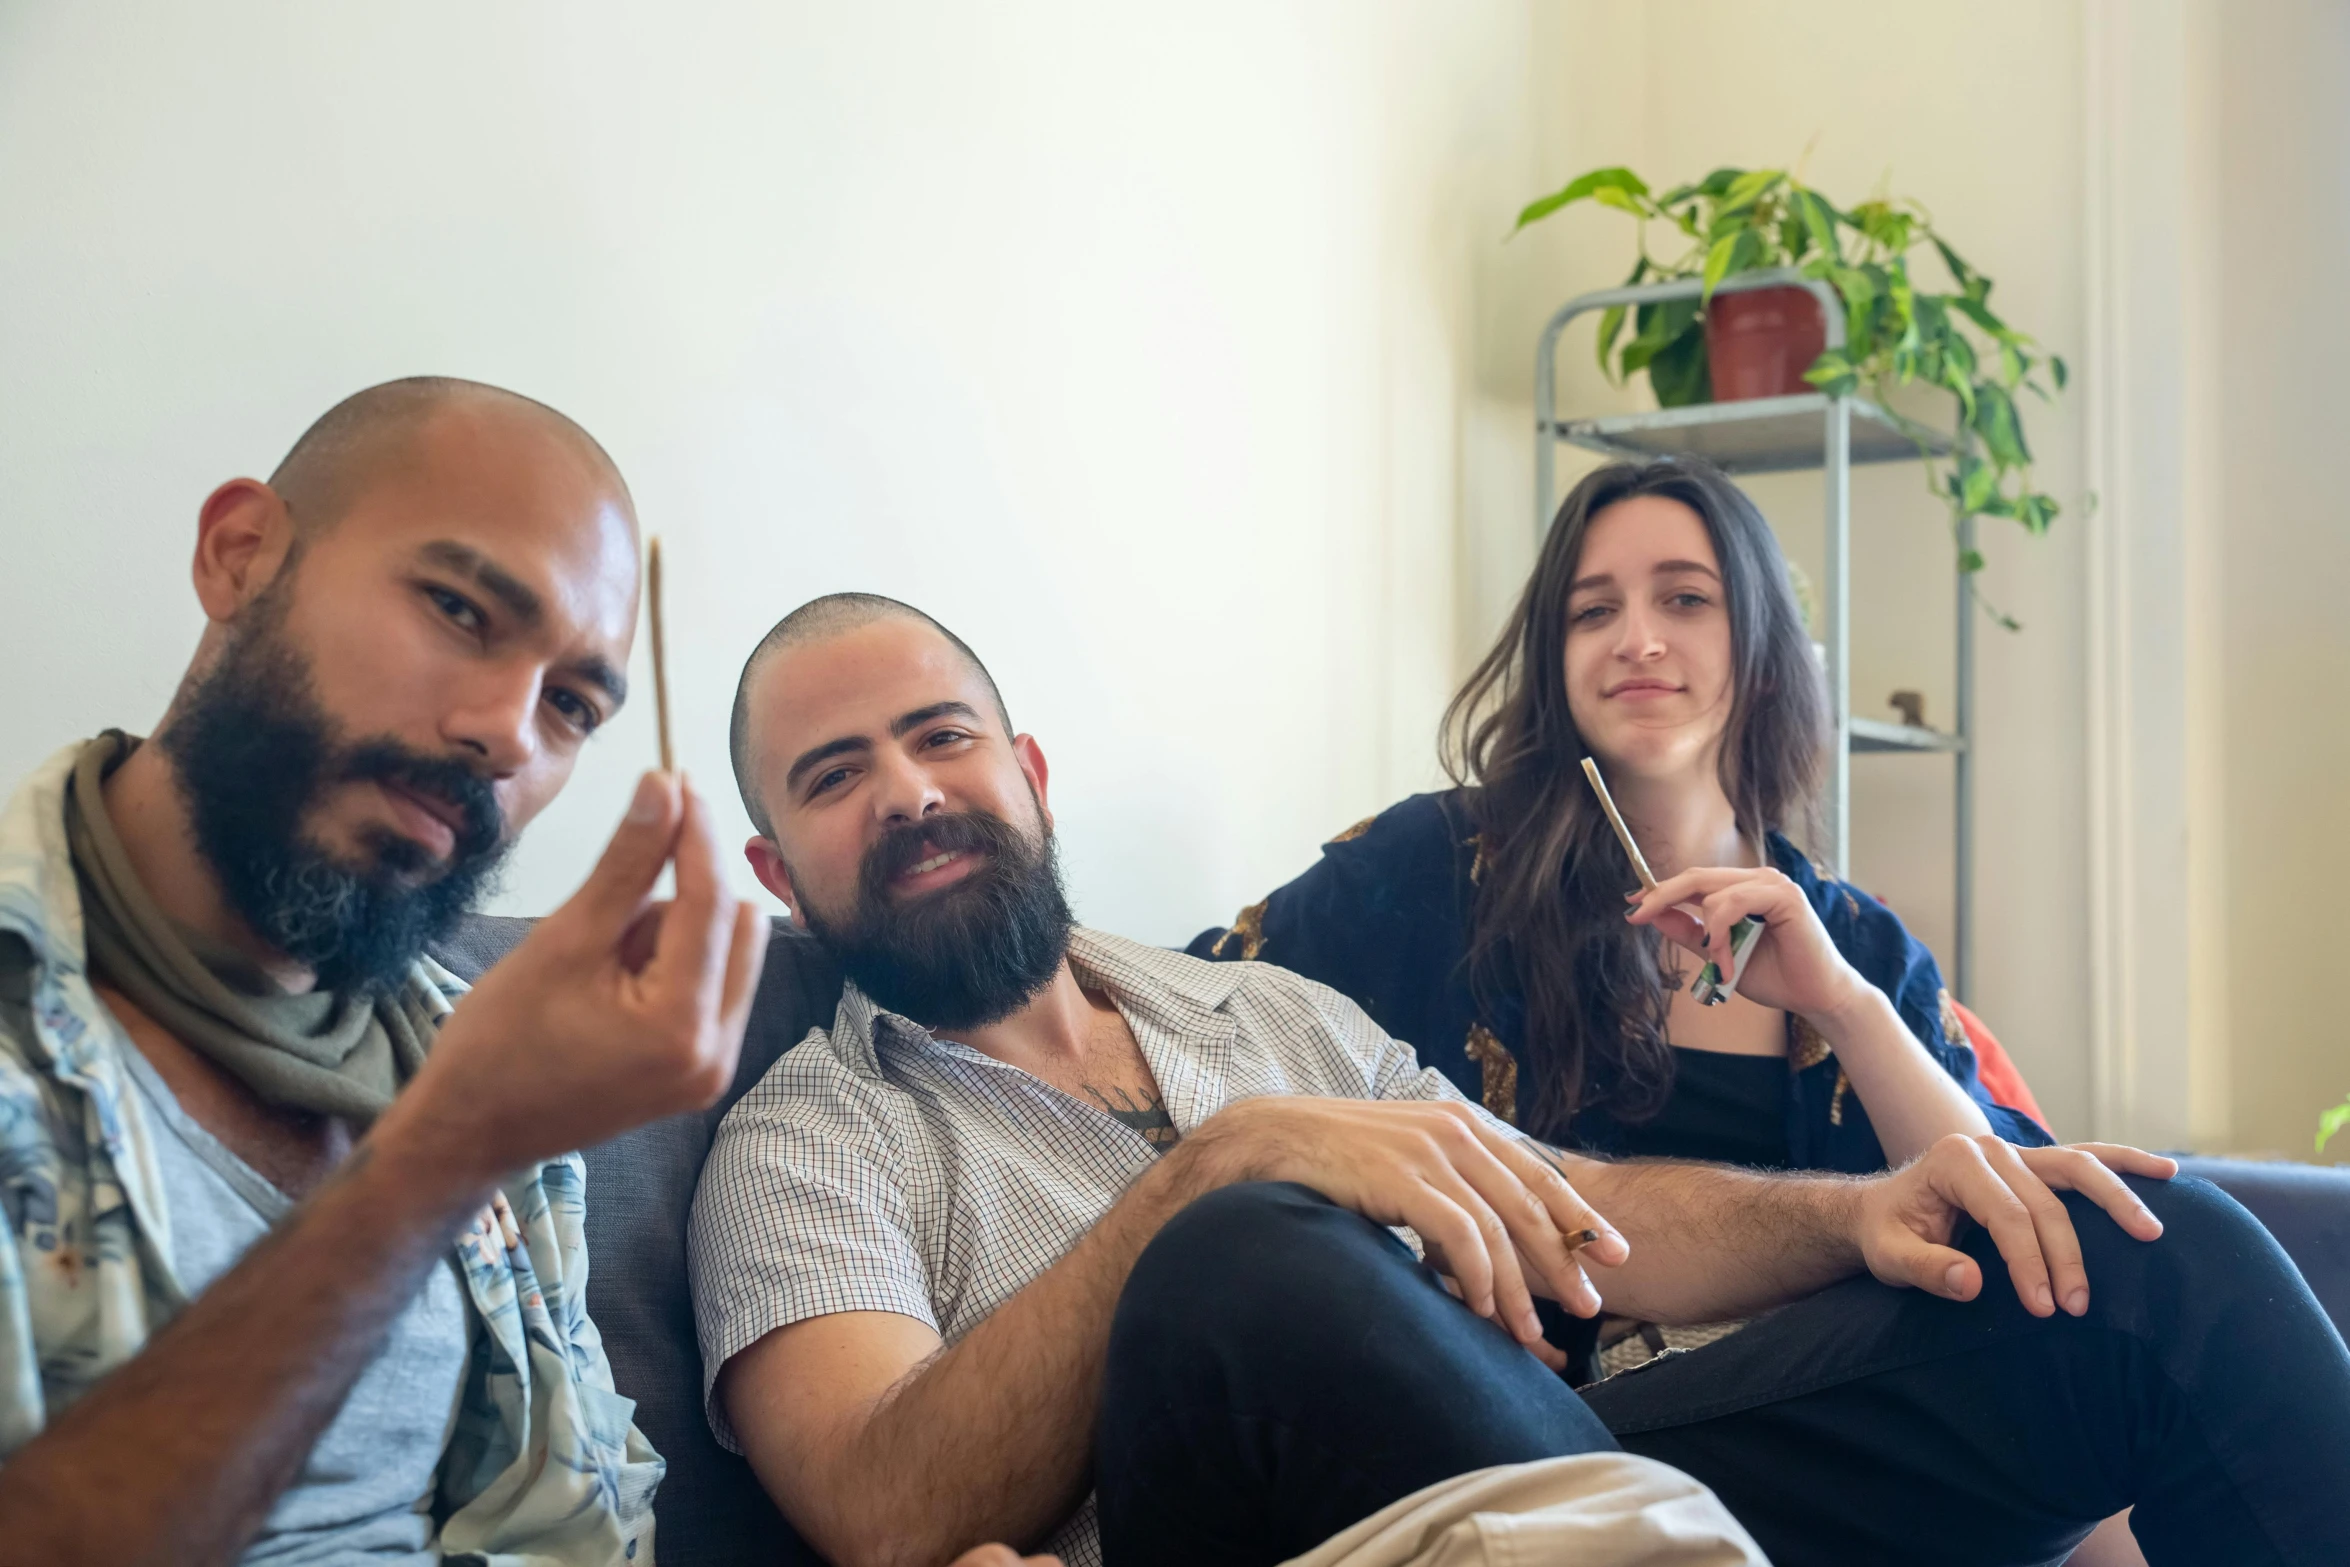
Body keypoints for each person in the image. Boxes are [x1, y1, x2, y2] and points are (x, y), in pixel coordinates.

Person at [690, 591, 2350, 1567]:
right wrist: (1218, 1168)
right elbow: (885, 1499)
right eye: (839, 775)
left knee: (2151, 1251)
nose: (908, 791)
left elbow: (1583, 1211)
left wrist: (1866, 1212)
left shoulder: (1258, 1010)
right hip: (1294, 1535)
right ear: (777, 867)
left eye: (941, 735)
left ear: (1030, 773)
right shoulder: (801, 1138)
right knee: (1244, 1250)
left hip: (1568, 1455)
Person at [0, 378, 775, 1565]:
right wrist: (444, 1152)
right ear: (240, 554)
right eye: (461, 609)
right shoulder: (486, 1097)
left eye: (571, 704)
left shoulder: (491, 1067)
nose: (511, 734)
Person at [1191, 457, 2042, 1181]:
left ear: (1768, 660)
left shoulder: (1863, 948)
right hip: (1507, 1378)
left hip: (1823, 1378)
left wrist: (1848, 1008)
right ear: (1555, 664)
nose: (1637, 639)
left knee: (2177, 1207)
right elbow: (1188, 1012)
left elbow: (2014, 1216)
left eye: (1686, 600)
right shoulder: (1427, 867)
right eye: (1593, 611)